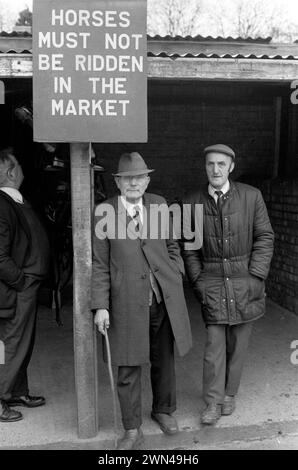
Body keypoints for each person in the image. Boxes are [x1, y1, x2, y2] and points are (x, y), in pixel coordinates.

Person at [92, 152, 192, 450]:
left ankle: (163, 410)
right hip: (125, 302)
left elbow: (173, 245)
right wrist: (101, 306)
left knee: (164, 358)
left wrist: (176, 271)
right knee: (127, 364)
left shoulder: (159, 204)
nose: (134, 183)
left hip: (162, 297)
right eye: (127, 178)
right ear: (118, 183)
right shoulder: (103, 212)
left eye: (139, 177)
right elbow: (98, 263)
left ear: (147, 180)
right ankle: (132, 428)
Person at [182, 144, 274, 425]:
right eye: (210, 164)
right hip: (211, 284)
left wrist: (255, 276)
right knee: (214, 347)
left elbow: (264, 237)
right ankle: (212, 402)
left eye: (221, 164)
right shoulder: (191, 202)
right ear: (205, 167)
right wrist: (198, 282)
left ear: (231, 167)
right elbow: (190, 249)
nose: (216, 170)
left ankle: (229, 394)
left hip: (245, 283)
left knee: (239, 344)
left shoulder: (251, 196)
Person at [0, 147, 50, 422]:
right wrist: (21, 282)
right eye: (17, 164)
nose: (22, 169)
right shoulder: (2, 204)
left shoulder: (15, 201)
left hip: (27, 287)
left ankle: (17, 391)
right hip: (18, 290)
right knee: (10, 344)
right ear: (10, 171)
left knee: (23, 343)